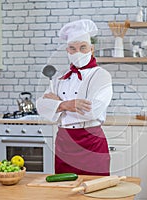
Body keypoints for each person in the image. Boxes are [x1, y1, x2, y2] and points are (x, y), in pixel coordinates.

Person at [36, 19, 113, 176]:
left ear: (91, 49)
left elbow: (91, 112)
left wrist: (57, 104)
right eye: (72, 48)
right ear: (67, 51)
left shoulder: (101, 76)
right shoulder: (60, 77)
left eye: (82, 47)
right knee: (65, 192)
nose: (77, 52)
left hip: (91, 142)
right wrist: (67, 105)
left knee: (95, 191)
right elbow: (41, 106)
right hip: (64, 143)